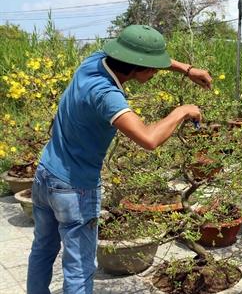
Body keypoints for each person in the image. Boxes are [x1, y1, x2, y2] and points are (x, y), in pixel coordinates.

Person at [27, 25, 212, 294]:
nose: (158, 71)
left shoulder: (95, 60)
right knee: (78, 270)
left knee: (42, 249)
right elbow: (148, 139)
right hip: (74, 189)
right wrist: (181, 111)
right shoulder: (107, 95)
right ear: (138, 67)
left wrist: (187, 69)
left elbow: (141, 54)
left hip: (45, 174)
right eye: (154, 68)